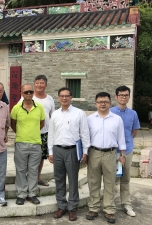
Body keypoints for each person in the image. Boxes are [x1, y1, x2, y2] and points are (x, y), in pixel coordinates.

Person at [48, 87, 90, 221]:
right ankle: (61, 206)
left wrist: (85, 151)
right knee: (59, 179)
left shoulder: (79, 113)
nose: (64, 98)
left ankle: (72, 208)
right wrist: (50, 151)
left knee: (72, 179)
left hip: (72, 150)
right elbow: (51, 134)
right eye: (62, 96)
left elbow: (84, 133)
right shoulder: (55, 114)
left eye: (67, 96)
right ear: (58, 98)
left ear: (71, 97)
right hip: (57, 150)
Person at [86, 92, 126, 224]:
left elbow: (121, 138)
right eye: (100, 101)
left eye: (105, 102)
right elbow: (86, 138)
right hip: (94, 153)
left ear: (110, 103)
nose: (103, 104)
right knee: (93, 181)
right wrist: (85, 153)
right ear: (95, 104)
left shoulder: (117, 119)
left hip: (111, 154)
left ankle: (109, 210)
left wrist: (122, 155)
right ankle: (93, 208)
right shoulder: (90, 119)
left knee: (110, 182)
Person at [10, 84, 45, 206]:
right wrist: (22, 134)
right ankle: (21, 194)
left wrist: (32, 133)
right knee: (20, 170)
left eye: (31, 92)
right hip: (21, 143)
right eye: (26, 92)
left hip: (36, 143)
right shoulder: (16, 108)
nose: (29, 94)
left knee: (33, 170)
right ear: (22, 93)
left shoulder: (39, 107)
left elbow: (42, 123)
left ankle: (32, 194)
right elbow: (13, 124)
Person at [110, 86, 140, 217]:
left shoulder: (133, 114)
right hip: (110, 152)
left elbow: (133, 132)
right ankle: (108, 204)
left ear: (129, 96)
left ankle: (126, 204)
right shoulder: (109, 112)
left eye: (126, 95)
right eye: (121, 95)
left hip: (126, 150)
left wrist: (126, 145)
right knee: (110, 179)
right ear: (116, 97)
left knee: (125, 179)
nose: (124, 97)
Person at [33, 75, 55, 186]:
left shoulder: (49, 99)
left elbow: (53, 116)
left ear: (46, 85)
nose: (39, 85)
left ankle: (38, 177)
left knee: (41, 156)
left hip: (45, 132)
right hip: (30, 133)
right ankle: (29, 178)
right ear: (34, 84)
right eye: (37, 83)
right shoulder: (28, 97)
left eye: (42, 83)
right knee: (29, 157)